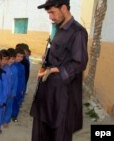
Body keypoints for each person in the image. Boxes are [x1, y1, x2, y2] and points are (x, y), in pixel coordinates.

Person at [30, 0, 88, 141]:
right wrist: (47, 58)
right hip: (47, 92)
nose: (50, 17)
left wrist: (56, 69)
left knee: (59, 133)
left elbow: (79, 63)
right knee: (41, 132)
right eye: (49, 13)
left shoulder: (77, 32)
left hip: (62, 95)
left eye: (52, 12)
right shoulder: (59, 28)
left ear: (64, 8)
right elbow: (61, 54)